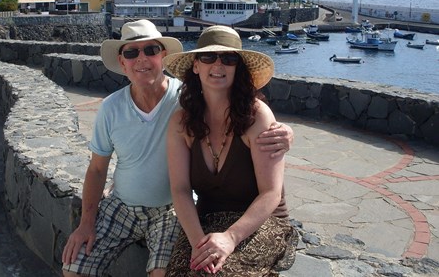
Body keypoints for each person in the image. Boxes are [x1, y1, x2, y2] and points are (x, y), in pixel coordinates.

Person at [62, 20, 294, 277]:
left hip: (208, 216)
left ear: (162, 55)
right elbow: (99, 170)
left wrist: (285, 132)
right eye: (132, 52)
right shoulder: (176, 113)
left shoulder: (199, 103)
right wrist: (86, 223)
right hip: (159, 211)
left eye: (150, 50)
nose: (217, 65)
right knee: (76, 271)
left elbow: (270, 190)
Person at [163, 25, 298, 276]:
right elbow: (180, 190)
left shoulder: (256, 116)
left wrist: (230, 238)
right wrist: (197, 243)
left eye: (229, 58)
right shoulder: (181, 123)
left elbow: (271, 193)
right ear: (196, 65)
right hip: (206, 221)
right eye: (208, 57)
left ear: (238, 68)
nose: (218, 65)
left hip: (259, 222)